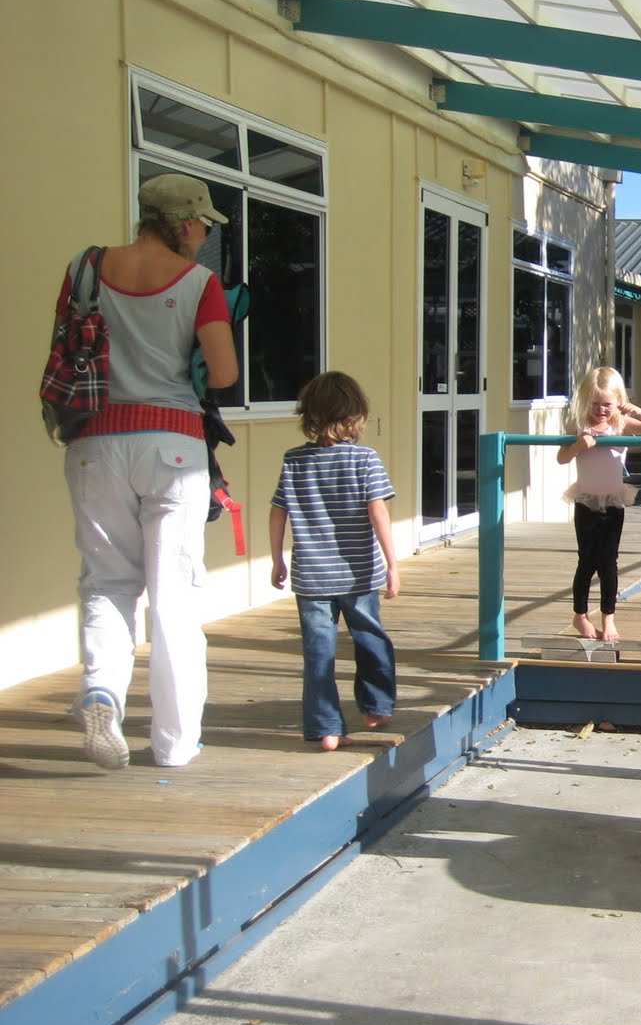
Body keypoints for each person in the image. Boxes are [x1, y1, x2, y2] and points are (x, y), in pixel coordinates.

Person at [58, 173, 239, 770]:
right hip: (172, 446)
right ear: (183, 222)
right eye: (203, 223)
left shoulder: (84, 268)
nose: (206, 233)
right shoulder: (200, 282)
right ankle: (174, 742)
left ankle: (102, 691)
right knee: (174, 598)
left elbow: (66, 348)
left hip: (93, 442)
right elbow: (223, 374)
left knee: (107, 582)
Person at [269, 372, 401, 752]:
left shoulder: (294, 460)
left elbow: (278, 513)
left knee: (318, 650)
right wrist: (393, 564)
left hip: (311, 576)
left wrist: (278, 558)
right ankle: (376, 706)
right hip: (358, 573)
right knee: (371, 637)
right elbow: (378, 513)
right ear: (356, 414)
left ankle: (326, 728)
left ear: (308, 414)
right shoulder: (365, 459)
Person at [557, 366, 641, 641]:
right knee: (586, 561)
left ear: (618, 401)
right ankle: (580, 615)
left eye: (607, 404)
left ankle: (609, 617)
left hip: (613, 502)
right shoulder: (579, 424)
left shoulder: (621, 424)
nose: (600, 410)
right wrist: (578, 447)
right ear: (585, 401)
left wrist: (636, 411)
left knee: (609, 562)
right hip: (586, 501)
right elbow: (562, 457)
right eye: (594, 404)